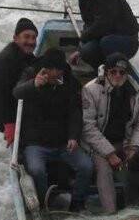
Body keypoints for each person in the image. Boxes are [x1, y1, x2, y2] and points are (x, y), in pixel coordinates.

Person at [12, 48, 93, 211]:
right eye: (52, 70)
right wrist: (34, 84)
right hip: (36, 143)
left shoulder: (69, 82)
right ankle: (43, 204)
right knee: (36, 170)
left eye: (59, 70)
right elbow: (17, 92)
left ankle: (77, 203)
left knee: (86, 166)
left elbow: (75, 113)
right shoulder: (30, 74)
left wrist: (73, 136)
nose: (56, 73)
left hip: (63, 142)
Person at [80, 53, 139, 214]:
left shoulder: (135, 92)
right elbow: (88, 128)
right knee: (104, 169)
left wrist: (134, 147)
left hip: (124, 141)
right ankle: (111, 214)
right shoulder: (90, 90)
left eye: (122, 72)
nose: (118, 76)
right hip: (97, 144)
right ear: (106, 72)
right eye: (113, 72)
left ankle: (135, 211)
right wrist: (110, 153)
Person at [69, 0, 139, 70]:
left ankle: (113, 71)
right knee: (87, 51)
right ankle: (99, 71)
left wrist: (83, 38)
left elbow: (103, 25)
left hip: (127, 39)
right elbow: (88, 22)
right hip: (103, 36)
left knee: (106, 42)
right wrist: (81, 49)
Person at [0, 17, 38, 145]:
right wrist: (9, 125)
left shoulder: (26, 55)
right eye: (26, 37)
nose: (31, 41)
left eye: (34, 38)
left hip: (14, 100)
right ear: (15, 38)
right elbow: (3, 95)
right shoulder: (6, 61)